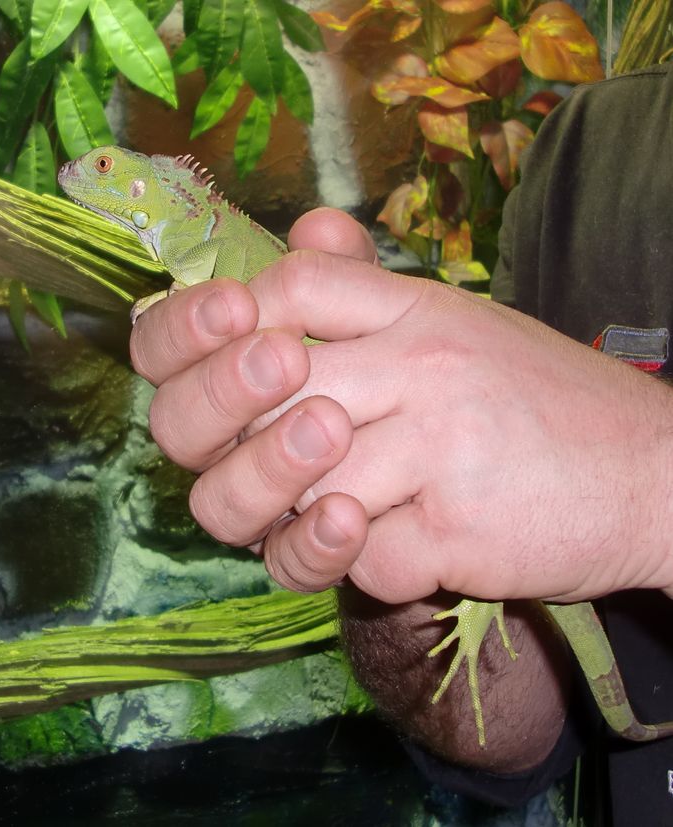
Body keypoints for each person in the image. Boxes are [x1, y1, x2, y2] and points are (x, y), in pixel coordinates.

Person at [128, 62, 673, 823]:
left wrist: (651, 485)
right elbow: (505, 728)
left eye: (99, 172)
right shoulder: (578, 149)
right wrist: (390, 515)